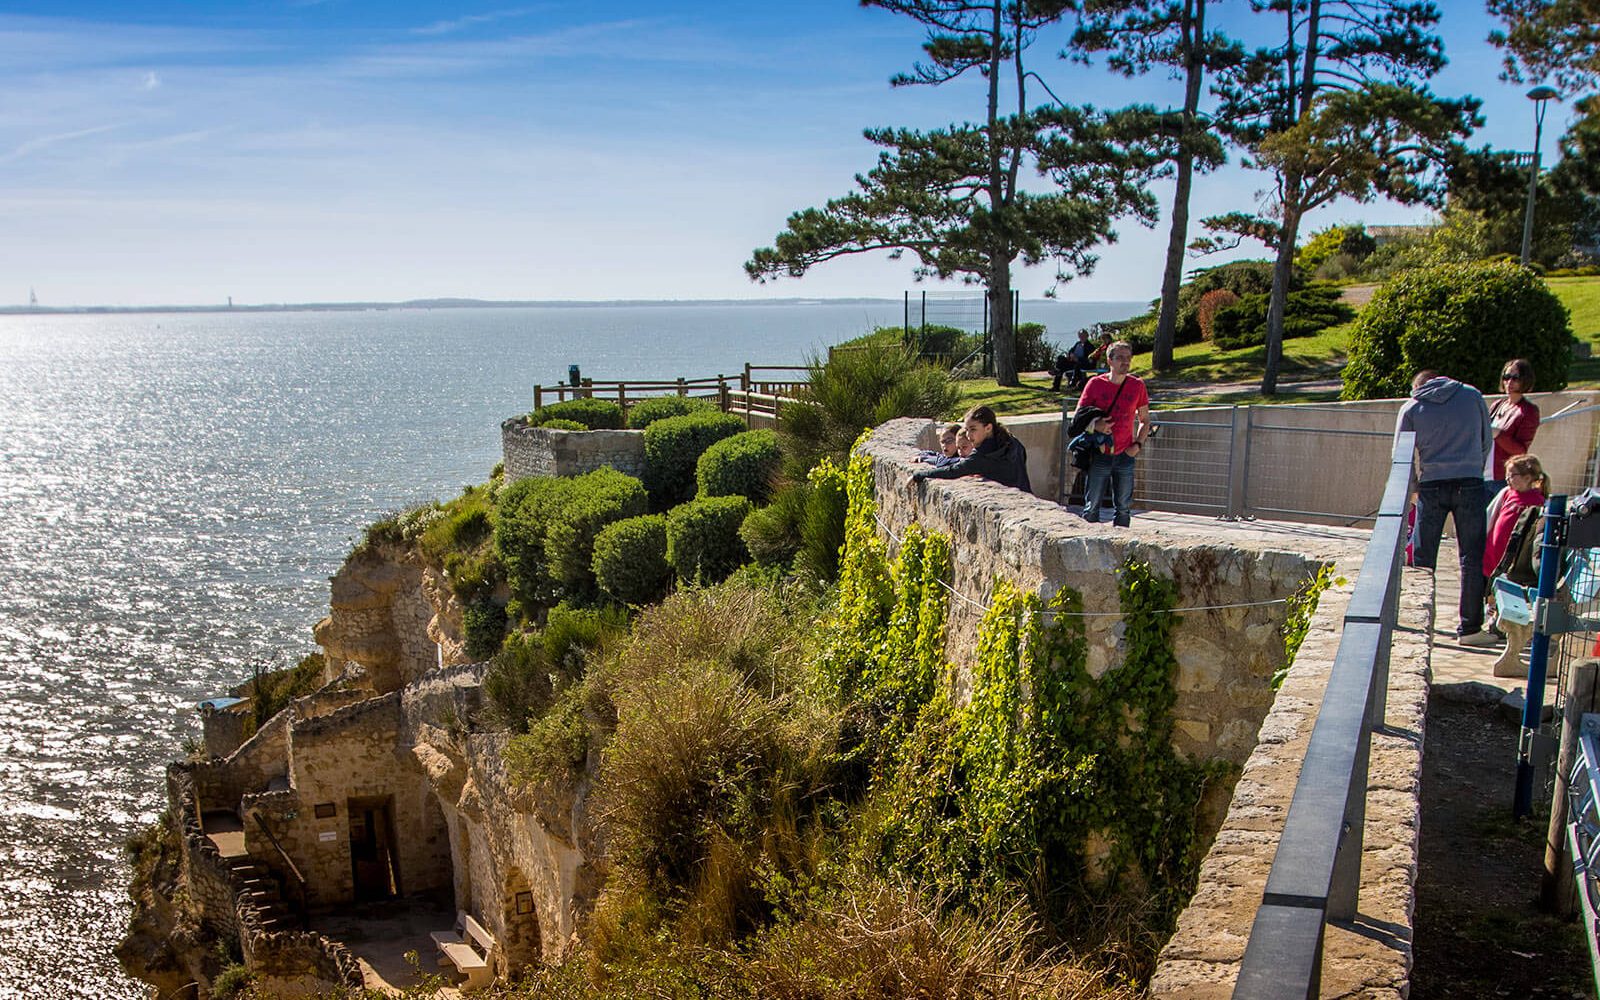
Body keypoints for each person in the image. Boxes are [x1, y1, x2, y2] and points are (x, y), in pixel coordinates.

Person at [1397, 369, 1494, 646]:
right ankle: (1470, 629)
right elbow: (1486, 441)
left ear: (1418, 385)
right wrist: (1472, 466)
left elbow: (1400, 455)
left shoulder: (1412, 406)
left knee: (1423, 559)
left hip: (1431, 486)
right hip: (1471, 484)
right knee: (1471, 557)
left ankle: (1420, 627)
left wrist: (1415, 487)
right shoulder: (1473, 395)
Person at [1075, 341, 1150, 527]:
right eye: (1120, 358)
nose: (1125, 362)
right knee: (1092, 506)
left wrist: (1138, 444)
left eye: (1128, 358)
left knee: (1123, 508)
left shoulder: (1137, 386)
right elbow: (1078, 418)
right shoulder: (1095, 384)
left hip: (1125, 454)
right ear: (1109, 360)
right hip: (1100, 453)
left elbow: (1145, 419)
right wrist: (1096, 425)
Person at [911, 405, 1031, 492]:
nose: (968, 435)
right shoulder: (1012, 441)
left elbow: (953, 471)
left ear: (988, 428)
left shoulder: (981, 456)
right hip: (1027, 495)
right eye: (967, 430)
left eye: (973, 429)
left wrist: (919, 475)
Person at [1487, 358, 1540, 499]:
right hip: (1483, 475)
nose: (1509, 382)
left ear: (1525, 380)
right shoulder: (1497, 405)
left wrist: (1498, 434)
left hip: (1504, 477)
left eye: (1515, 378)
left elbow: (1521, 450)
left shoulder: (1528, 411)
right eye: (1506, 377)